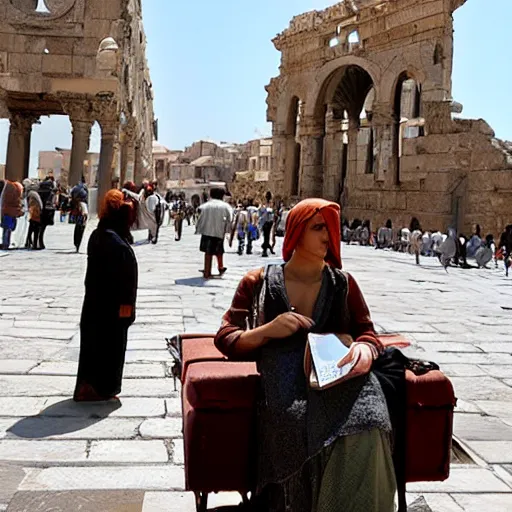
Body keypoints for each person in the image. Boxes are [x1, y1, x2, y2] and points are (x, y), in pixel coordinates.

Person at [215, 198, 395, 511]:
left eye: (331, 227)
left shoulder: (343, 283)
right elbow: (226, 338)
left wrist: (364, 347)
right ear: (297, 231)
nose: (329, 234)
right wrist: (268, 330)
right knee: (293, 423)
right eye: (318, 227)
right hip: (284, 381)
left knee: (369, 421)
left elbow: (368, 333)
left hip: (340, 377)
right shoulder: (257, 282)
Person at [74, 189, 138, 402]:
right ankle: (98, 389)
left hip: (96, 305)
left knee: (95, 347)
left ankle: (94, 387)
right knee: (107, 348)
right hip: (111, 308)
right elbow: (124, 281)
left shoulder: (101, 234)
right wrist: (127, 309)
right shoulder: (114, 242)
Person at [195, 187, 232, 279]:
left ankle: (207, 271)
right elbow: (230, 219)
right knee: (219, 251)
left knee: (208, 252)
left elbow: (198, 213)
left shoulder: (205, 205)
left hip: (206, 231)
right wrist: (228, 231)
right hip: (219, 231)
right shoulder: (226, 206)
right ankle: (220, 268)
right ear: (222, 196)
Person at [0, 180, 24, 250]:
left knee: (6, 228)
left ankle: (5, 243)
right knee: (8, 229)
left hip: (7, 212)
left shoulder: (9, 191)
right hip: (11, 213)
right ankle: (6, 243)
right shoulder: (15, 193)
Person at [37, 176, 57, 250]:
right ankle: (40, 243)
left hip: (39, 210)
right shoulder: (50, 192)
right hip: (47, 211)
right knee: (42, 229)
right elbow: (51, 203)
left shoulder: (39, 190)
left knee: (37, 228)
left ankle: (34, 242)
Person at [70, 178, 89, 252]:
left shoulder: (76, 189)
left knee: (77, 228)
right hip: (82, 213)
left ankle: (76, 244)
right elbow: (85, 213)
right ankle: (78, 245)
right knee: (81, 229)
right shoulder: (84, 190)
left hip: (77, 212)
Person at [25, 180, 43, 250]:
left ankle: (32, 243)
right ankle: (31, 243)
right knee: (34, 230)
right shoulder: (34, 193)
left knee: (33, 230)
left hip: (35, 214)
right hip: (35, 214)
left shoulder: (31, 194)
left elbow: (33, 204)